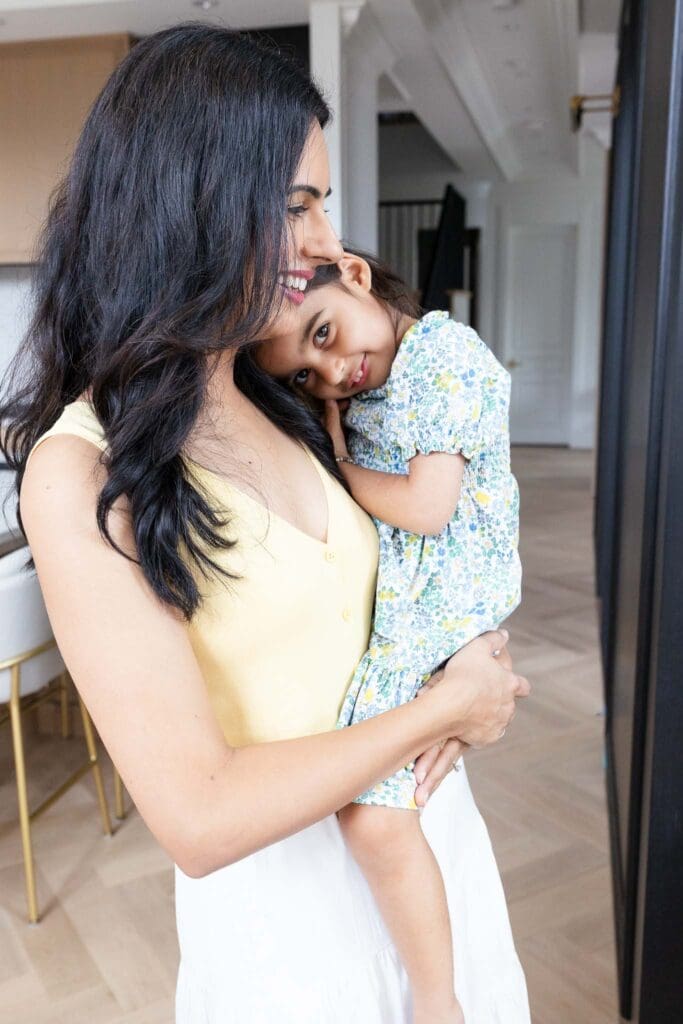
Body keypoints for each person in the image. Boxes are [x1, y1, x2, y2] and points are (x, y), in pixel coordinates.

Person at [1, 24, 531, 1023]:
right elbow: (197, 812)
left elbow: (412, 563)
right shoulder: (83, 468)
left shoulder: (283, 384)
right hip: (288, 934)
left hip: (426, 851)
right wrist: (439, 711)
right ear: (190, 204)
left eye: (322, 206)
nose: (328, 244)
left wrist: (475, 660)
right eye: (296, 206)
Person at [254, 250, 522, 1023]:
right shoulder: (381, 378)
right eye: (306, 373)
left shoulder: (439, 354)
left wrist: (337, 461)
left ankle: (436, 1002)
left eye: (326, 331)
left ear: (357, 275)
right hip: (427, 597)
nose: (333, 371)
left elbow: (427, 506)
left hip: (446, 594)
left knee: (371, 816)